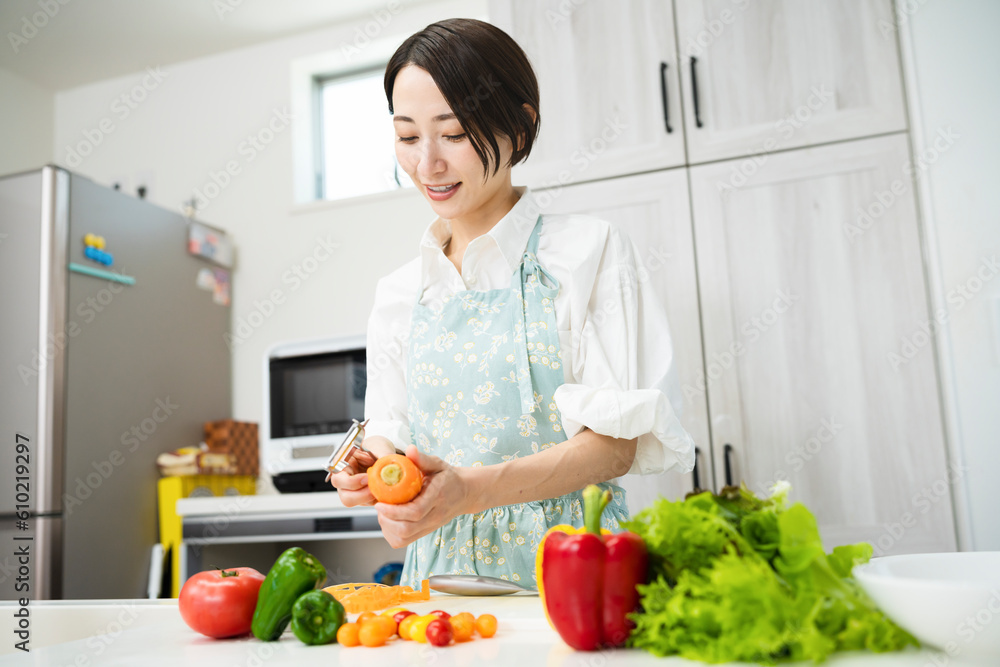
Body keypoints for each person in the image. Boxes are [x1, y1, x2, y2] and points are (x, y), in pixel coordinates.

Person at [329, 18, 695, 588]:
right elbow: (391, 427)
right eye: (407, 136)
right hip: (439, 584)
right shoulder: (400, 293)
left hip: (577, 568)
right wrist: (372, 464)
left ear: (519, 129)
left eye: (452, 134)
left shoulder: (587, 252)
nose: (427, 165)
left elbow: (613, 447)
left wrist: (468, 492)